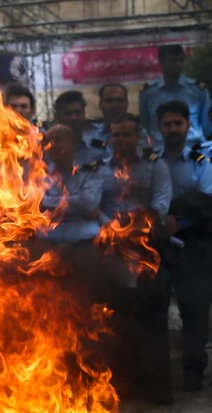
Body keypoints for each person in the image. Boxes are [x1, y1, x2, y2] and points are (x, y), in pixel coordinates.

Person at [101, 112, 173, 405]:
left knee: (154, 322)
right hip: (112, 255)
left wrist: (125, 225)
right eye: (116, 134)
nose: (121, 139)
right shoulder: (99, 170)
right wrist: (114, 228)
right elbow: (97, 208)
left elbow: (159, 208)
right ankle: (126, 386)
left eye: (126, 134)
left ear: (139, 136)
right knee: (119, 321)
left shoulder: (157, 168)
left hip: (149, 252)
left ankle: (159, 389)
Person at [158, 100, 212, 392]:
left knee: (194, 307)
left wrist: (183, 223)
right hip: (157, 242)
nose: (173, 129)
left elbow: (206, 203)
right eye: (167, 124)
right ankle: (157, 370)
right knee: (155, 306)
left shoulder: (200, 161)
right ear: (159, 127)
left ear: (188, 125)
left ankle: (193, 367)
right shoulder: (151, 160)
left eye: (178, 123)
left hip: (192, 242)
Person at [39, 124, 104, 243]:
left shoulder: (89, 172)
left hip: (84, 241)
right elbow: (35, 203)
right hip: (48, 241)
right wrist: (75, 206)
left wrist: (47, 203)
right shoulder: (40, 172)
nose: (52, 145)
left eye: (58, 140)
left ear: (73, 144)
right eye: (48, 141)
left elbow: (87, 203)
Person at [139, 45, 211, 151]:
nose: (178, 64)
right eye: (172, 61)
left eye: (181, 60)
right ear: (161, 62)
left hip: (195, 151)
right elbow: (146, 125)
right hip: (162, 153)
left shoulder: (197, 90)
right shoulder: (148, 93)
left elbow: (207, 126)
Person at [53, 90, 111, 167]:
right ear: (58, 116)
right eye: (68, 114)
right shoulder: (50, 148)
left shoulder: (99, 141)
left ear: (84, 114)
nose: (74, 118)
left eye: (78, 112)